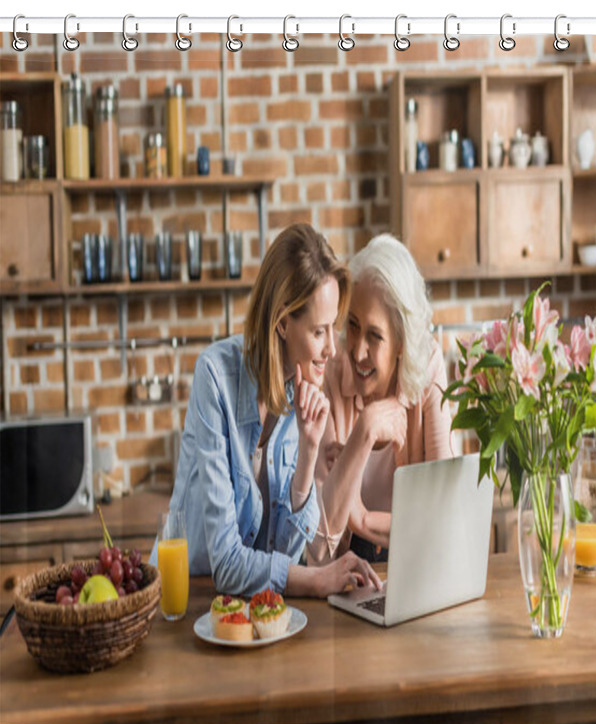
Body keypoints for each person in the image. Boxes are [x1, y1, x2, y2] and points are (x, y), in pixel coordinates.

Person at [165, 224, 380, 597]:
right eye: (319, 332)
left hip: (255, 609)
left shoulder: (302, 392)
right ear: (282, 323)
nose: (332, 348)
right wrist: (318, 580)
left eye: (334, 329)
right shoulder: (214, 376)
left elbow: (283, 554)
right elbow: (229, 565)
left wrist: (309, 454)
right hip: (189, 602)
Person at [308, 233, 455, 565]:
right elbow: (319, 546)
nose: (357, 350)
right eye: (354, 326)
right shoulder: (331, 373)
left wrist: (360, 519)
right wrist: (366, 430)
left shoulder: (428, 369)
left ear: (402, 342)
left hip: (416, 564)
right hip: (346, 568)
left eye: (374, 336)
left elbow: (445, 519)